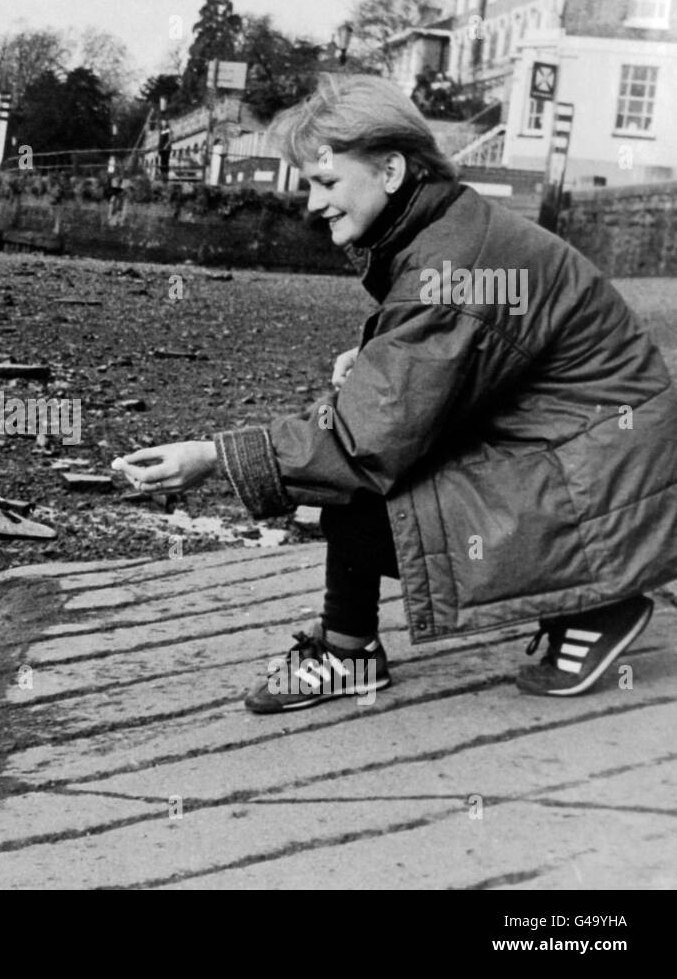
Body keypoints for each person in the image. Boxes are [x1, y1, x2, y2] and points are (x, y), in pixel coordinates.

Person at [117, 73, 677, 714]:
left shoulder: (451, 266)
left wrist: (214, 456)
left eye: (325, 182)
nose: (312, 204)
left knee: (363, 492)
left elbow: (364, 440)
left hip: (609, 479)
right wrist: (381, 354)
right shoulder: (454, 232)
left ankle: (592, 601)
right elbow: (472, 353)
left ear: (389, 169)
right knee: (363, 457)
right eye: (308, 184)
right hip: (601, 453)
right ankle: (566, 592)